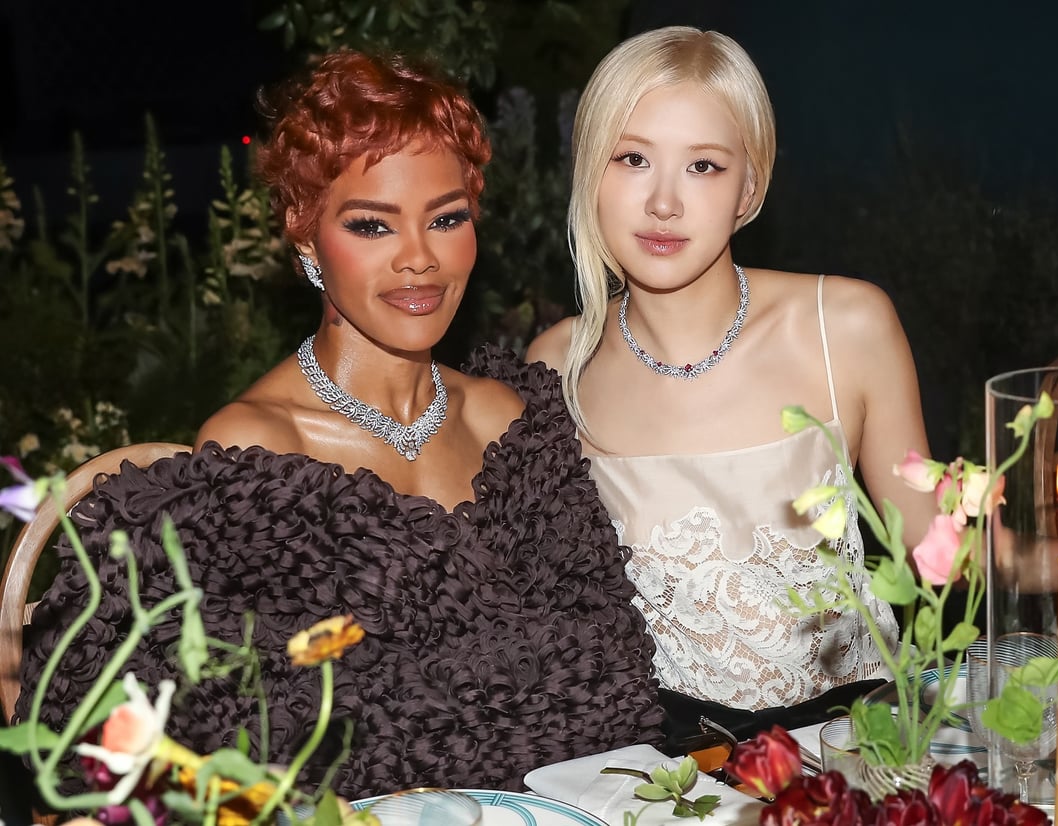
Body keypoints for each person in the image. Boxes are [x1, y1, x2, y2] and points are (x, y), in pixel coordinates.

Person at [18, 49, 665, 799]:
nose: (419, 259)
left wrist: (419, 699)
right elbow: (277, 737)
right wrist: (518, 681)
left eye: (446, 218)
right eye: (371, 226)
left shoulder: (513, 420)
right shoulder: (259, 449)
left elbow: (614, 669)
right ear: (305, 233)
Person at [527, 26, 938, 741]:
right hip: (666, 774)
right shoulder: (557, 367)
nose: (663, 202)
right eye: (632, 158)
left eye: (703, 167)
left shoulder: (846, 326)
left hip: (861, 755)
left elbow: (943, 551)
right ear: (589, 170)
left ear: (749, 186)